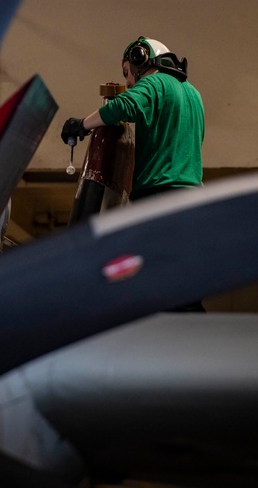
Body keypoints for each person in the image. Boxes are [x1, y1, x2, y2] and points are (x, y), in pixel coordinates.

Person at [61, 35, 206, 311]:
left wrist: (82, 124)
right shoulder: (193, 94)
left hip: (159, 199)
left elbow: (122, 106)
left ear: (141, 59)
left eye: (128, 73)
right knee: (184, 290)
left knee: (152, 287)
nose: (128, 83)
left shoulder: (154, 82)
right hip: (192, 204)